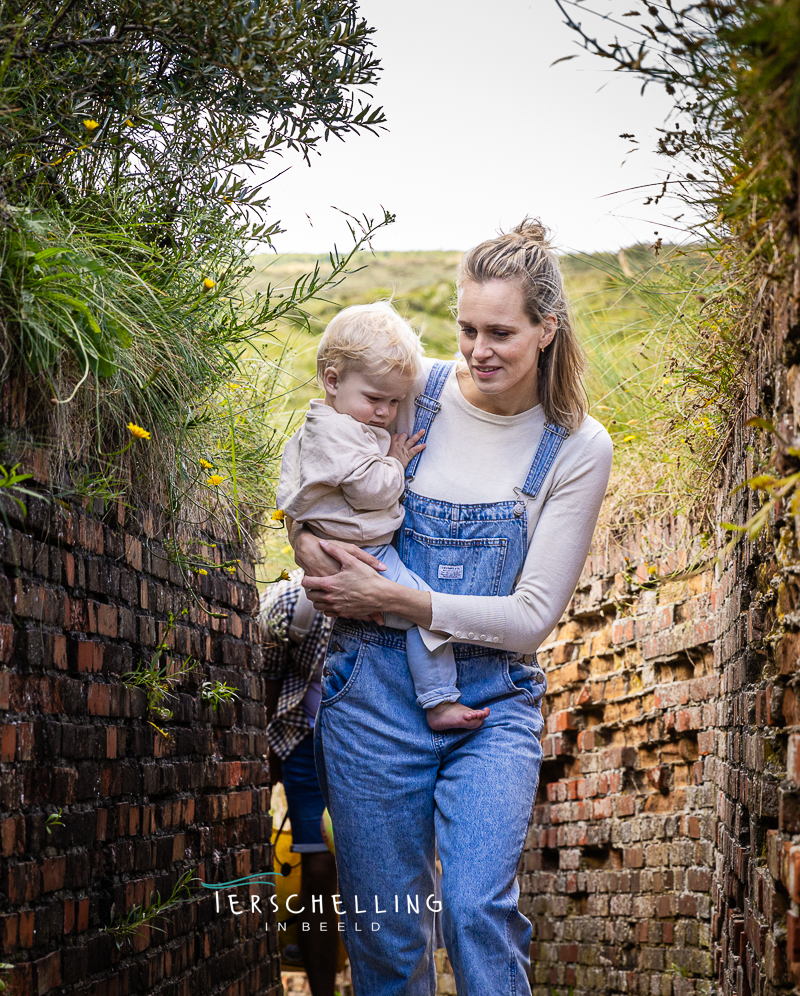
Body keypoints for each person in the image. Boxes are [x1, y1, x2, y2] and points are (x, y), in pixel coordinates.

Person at [292, 220, 613, 994]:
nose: (477, 350)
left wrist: (399, 597)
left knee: (475, 910)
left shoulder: (575, 446)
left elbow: (532, 617)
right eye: (467, 328)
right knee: (389, 933)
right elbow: (322, 478)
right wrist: (305, 538)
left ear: (546, 329)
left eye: (501, 331)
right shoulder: (415, 395)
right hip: (369, 693)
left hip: (493, 700)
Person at [277, 302, 487, 731]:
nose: (386, 413)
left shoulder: (321, 424)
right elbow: (371, 490)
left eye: (394, 401)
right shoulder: (339, 435)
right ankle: (439, 700)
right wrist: (395, 461)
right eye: (375, 398)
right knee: (423, 613)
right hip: (362, 551)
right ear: (332, 381)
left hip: (344, 545)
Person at [260, 576, 340, 996]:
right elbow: (268, 691)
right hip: (305, 746)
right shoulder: (293, 604)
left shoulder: (398, 582)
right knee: (320, 871)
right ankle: (324, 991)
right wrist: (268, 764)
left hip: (370, 745)